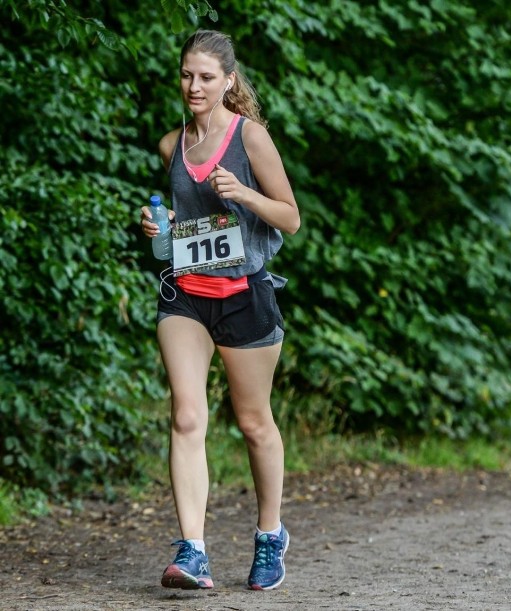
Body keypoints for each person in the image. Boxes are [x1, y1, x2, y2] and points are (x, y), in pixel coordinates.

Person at [139, 29, 300, 590]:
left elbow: (290, 217)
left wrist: (246, 194)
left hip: (244, 296)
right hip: (186, 294)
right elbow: (182, 231)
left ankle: (269, 535)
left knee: (255, 423)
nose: (194, 86)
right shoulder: (170, 146)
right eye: (187, 75)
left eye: (207, 77)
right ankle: (193, 551)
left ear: (229, 81)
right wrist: (158, 228)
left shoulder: (249, 138)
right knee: (186, 415)